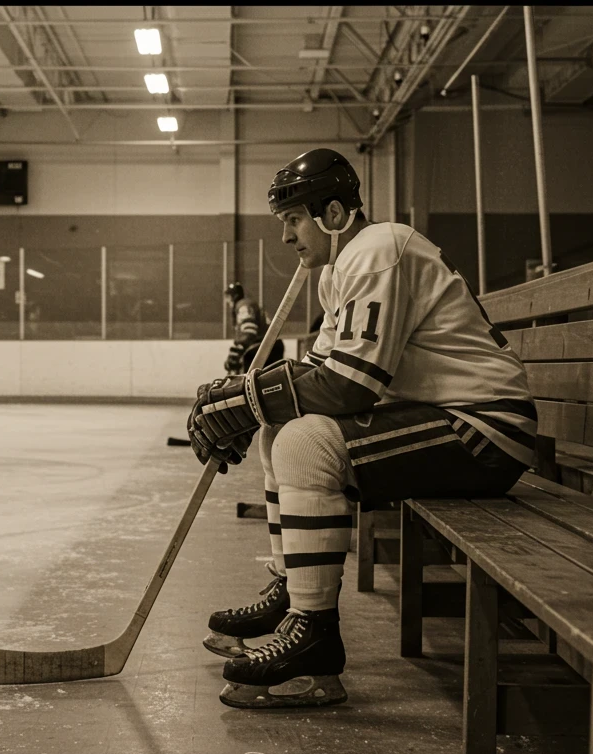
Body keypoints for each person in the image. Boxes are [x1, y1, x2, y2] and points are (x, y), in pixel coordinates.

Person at [188, 148, 537, 709]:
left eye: (293, 219)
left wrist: (248, 400)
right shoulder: (342, 269)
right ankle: (291, 589)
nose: (286, 237)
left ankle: (314, 640)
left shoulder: (377, 250)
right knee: (288, 434)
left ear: (333, 214)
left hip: (484, 428)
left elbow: (349, 388)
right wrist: (258, 410)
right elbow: (318, 382)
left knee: (305, 443)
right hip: (445, 416)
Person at [223, 283, 284, 375]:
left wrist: (235, 353)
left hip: (262, 348)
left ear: (234, 296)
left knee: (251, 383)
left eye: (228, 296)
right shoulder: (248, 304)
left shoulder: (243, 305)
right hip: (270, 346)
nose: (227, 301)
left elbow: (249, 331)